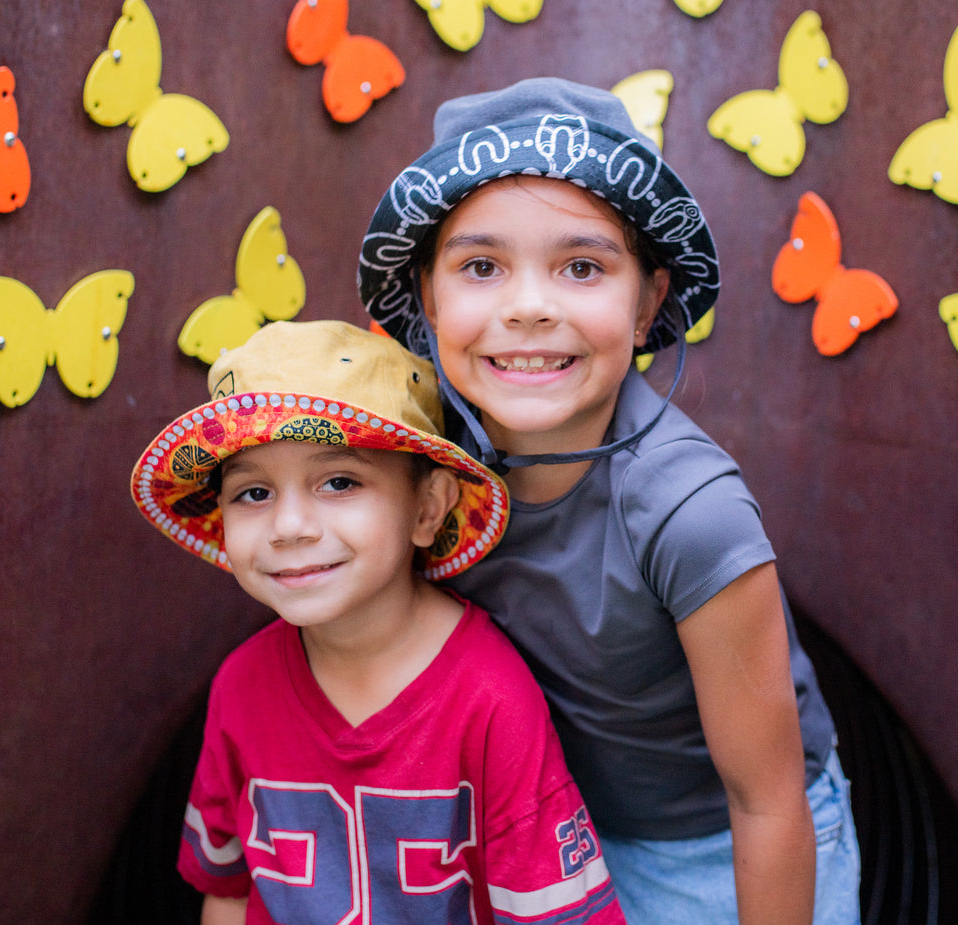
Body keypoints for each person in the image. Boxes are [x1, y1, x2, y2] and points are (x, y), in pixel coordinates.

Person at [358, 78, 861, 924]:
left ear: (647, 303)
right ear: (430, 297)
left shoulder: (689, 511)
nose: (528, 307)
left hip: (717, 846)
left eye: (582, 267)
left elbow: (766, 800)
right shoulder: (424, 469)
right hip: (547, 829)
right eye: (481, 267)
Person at [129, 319, 626, 925]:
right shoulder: (240, 686)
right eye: (253, 493)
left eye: (339, 482)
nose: (289, 527)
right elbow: (229, 891)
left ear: (428, 508)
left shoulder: (492, 701)